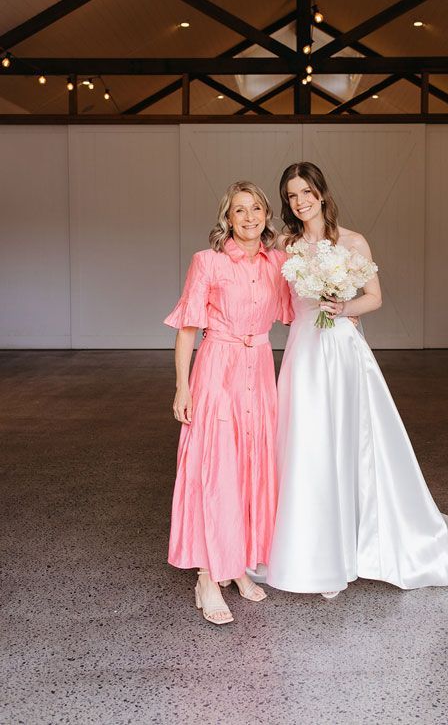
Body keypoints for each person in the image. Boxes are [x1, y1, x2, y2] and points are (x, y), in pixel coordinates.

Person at [267, 162, 448, 597]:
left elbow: (375, 298)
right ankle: (309, 546)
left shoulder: (353, 241)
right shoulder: (286, 245)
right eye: (292, 195)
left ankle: (354, 545)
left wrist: (340, 307)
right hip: (303, 352)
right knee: (304, 441)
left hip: (343, 350)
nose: (300, 200)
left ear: (322, 193)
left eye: (306, 191)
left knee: (347, 440)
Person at [164, 181, 292, 624]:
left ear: (266, 215)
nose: (250, 217)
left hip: (259, 368)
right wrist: (183, 387)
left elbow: (304, 306)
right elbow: (187, 329)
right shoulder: (208, 262)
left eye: (256, 209)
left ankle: (236, 564)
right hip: (218, 368)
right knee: (215, 467)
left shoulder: (279, 261)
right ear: (228, 218)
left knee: (251, 467)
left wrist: (346, 303)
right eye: (240, 210)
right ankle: (207, 576)